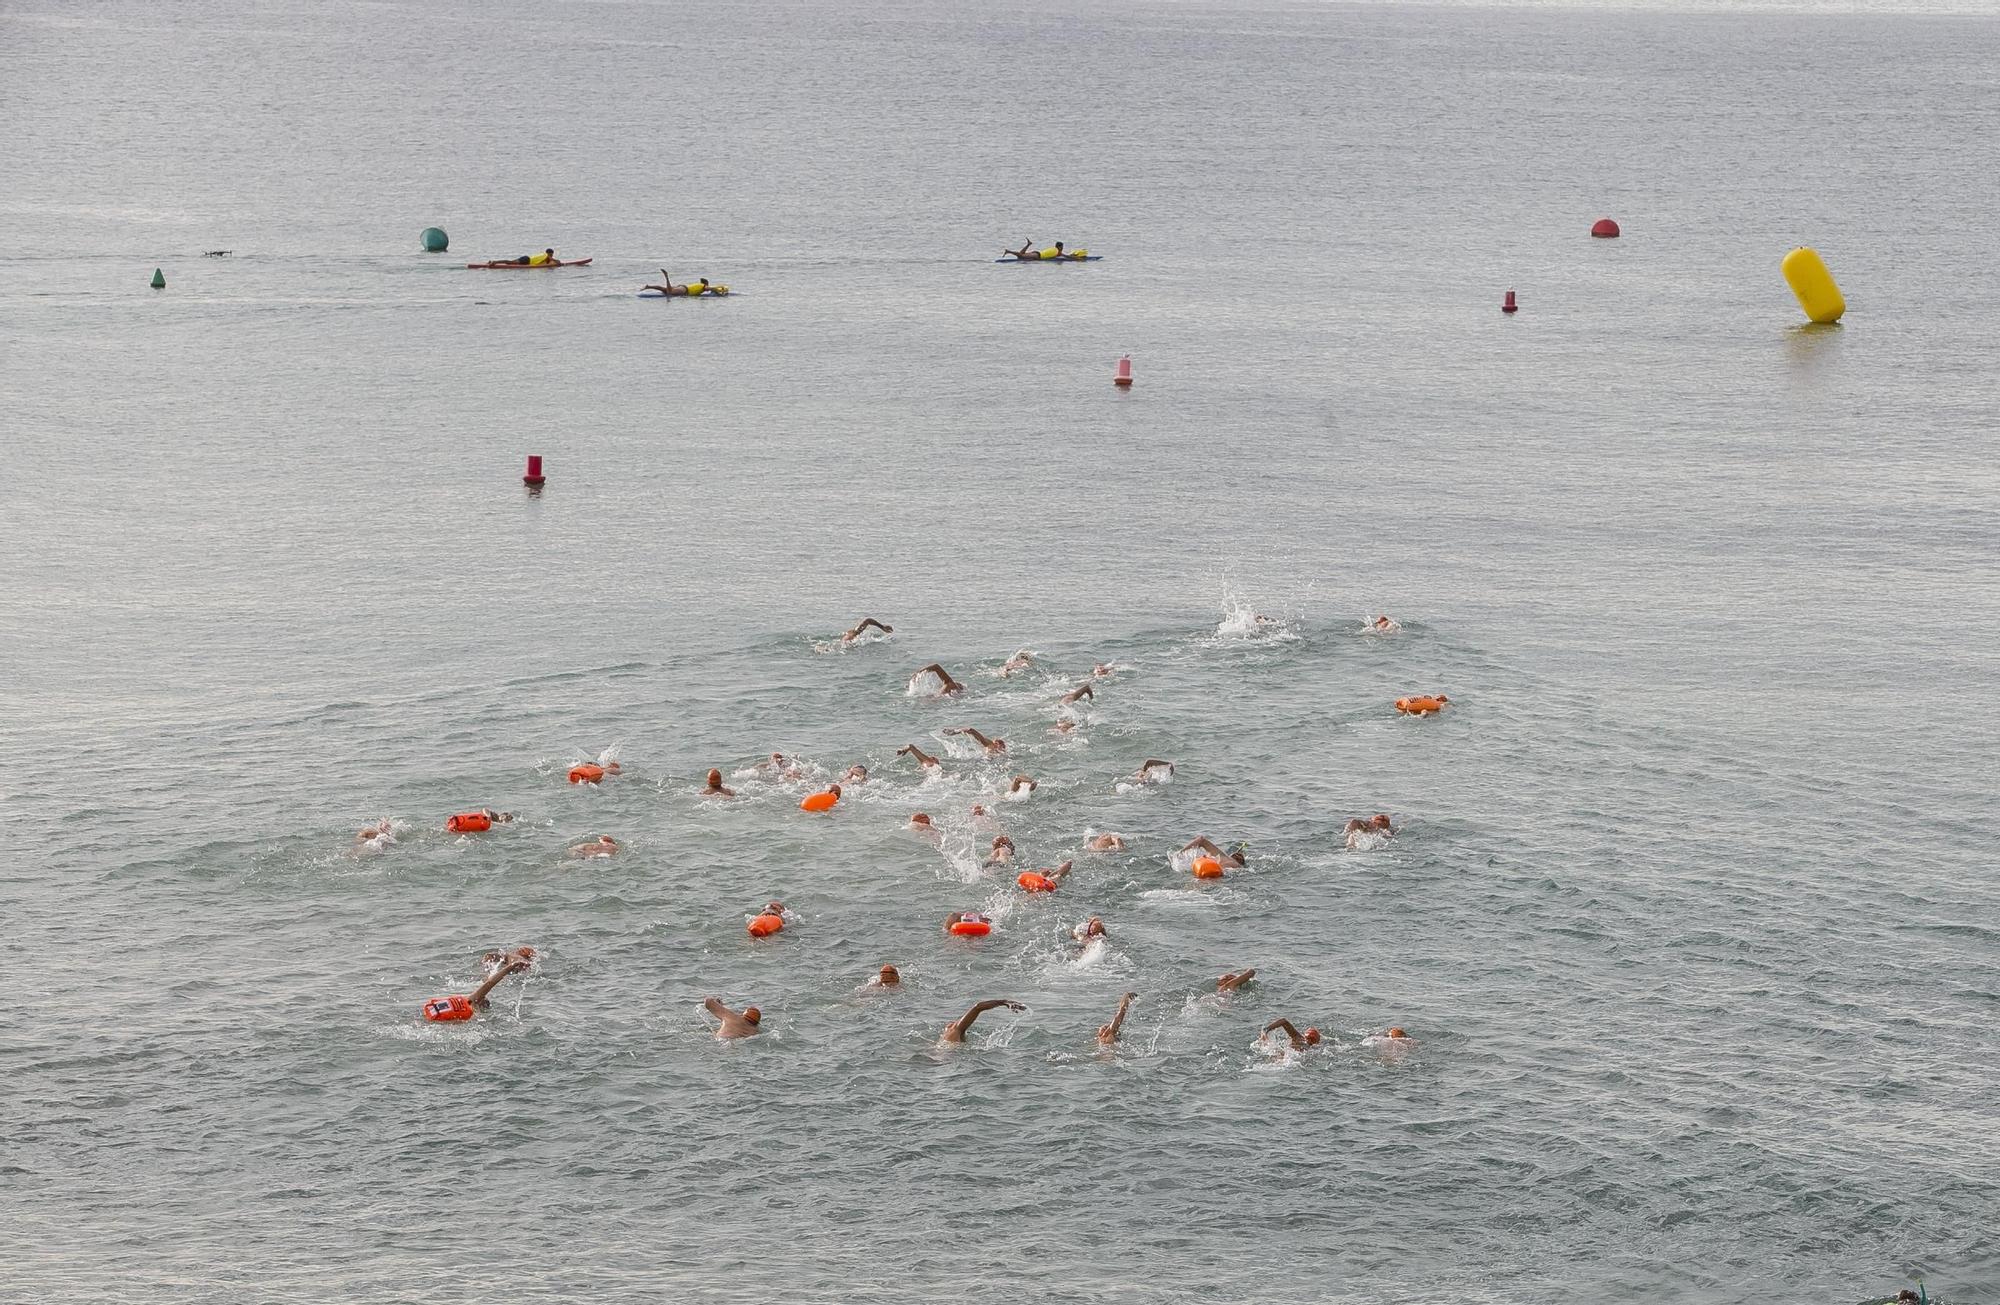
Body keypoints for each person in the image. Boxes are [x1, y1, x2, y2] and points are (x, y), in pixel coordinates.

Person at [940, 998, 1025, 1045]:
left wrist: (1003, 1002)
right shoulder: (954, 1032)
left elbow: (977, 1007)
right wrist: (1003, 1002)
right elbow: (977, 1007)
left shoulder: (948, 1037)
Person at [1181, 835, 1246, 868]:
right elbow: (1201, 840)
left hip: (1212, 869)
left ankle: (1178, 854)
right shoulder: (1224, 858)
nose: (1238, 855)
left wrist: (1180, 853)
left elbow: (1201, 839)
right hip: (1212, 870)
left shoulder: (1225, 858)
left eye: (1240, 856)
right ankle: (1179, 854)